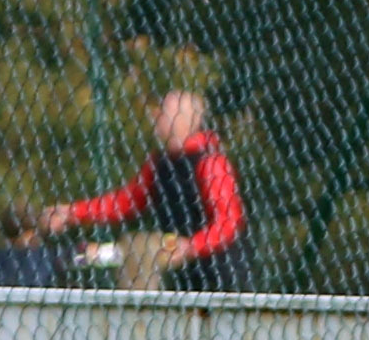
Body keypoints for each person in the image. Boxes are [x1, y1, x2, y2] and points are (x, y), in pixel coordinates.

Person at [17, 86, 246, 289]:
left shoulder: (210, 162)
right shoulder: (160, 163)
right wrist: (73, 212)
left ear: (185, 119)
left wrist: (192, 246)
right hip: (182, 274)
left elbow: (228, 221)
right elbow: (127, 201)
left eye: (165, 111)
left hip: (220, 272)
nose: (157, 117)